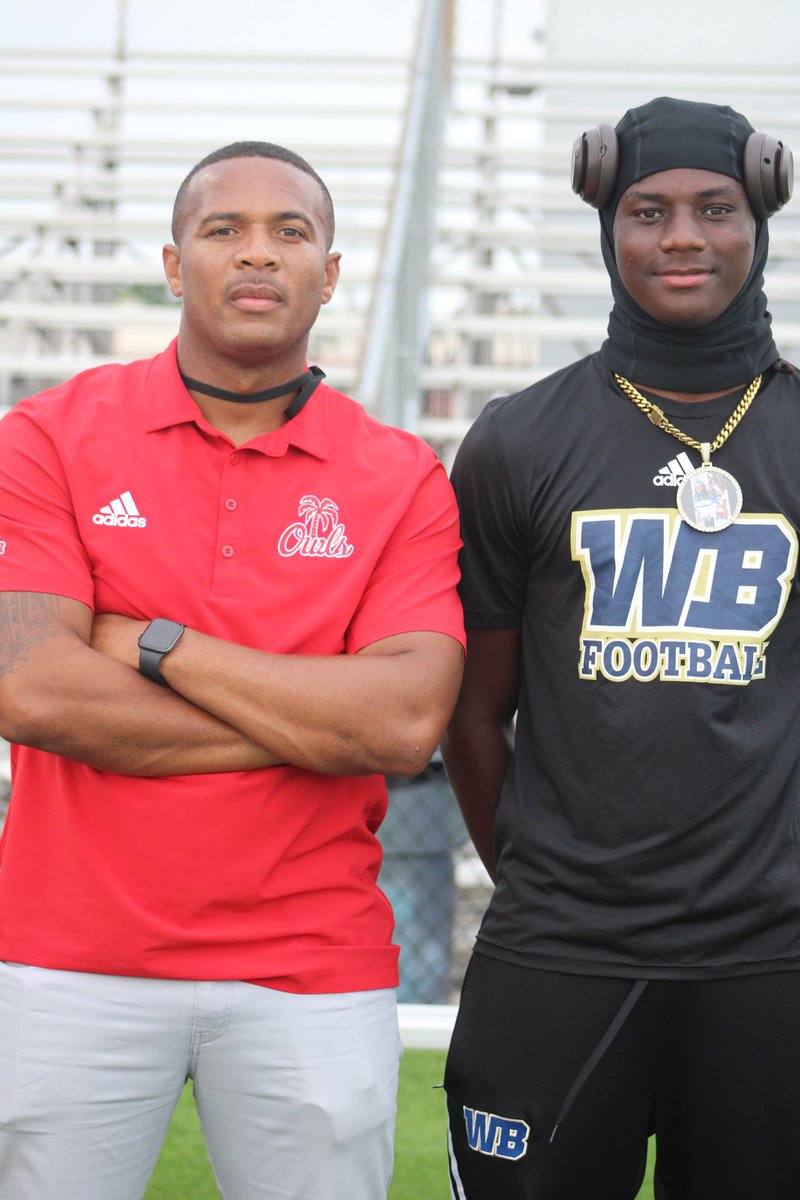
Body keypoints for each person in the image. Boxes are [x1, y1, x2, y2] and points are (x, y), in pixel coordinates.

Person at [0, 141, 465, 1200]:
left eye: (289, 232)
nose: (256, 256)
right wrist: (311, 711)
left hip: (312, 963)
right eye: (223, 231)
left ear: (330, 273)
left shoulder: (397, 476)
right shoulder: (48, 437)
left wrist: (156, 645)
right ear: (174, 265)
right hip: (70, 956)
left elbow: (397, 728)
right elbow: (30, 691)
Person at [441, 97, 800, 1199]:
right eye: (646, 210)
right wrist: (547, 879)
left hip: (769, 962)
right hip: (557, 956)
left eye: (713, 208)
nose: (680, 236)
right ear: (605, 222)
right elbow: (470, 712)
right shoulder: (519, 437)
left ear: (760, 218)